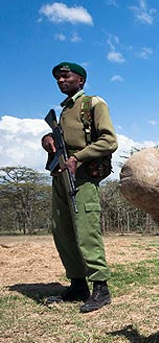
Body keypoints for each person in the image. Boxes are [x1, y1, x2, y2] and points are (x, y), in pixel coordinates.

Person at [41, 62, 118, 313]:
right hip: (60, 174)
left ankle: (100, 288)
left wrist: (78, 158)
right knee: (61, 229)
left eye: (65, 77)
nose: (60, 81)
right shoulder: (64, 110)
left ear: (80, 80)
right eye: (57, 79)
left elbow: (109, 140)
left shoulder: (93, 104)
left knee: (86, 230)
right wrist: (48, 139)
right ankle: (77, 285)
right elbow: (60, 139)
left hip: (82, 175)